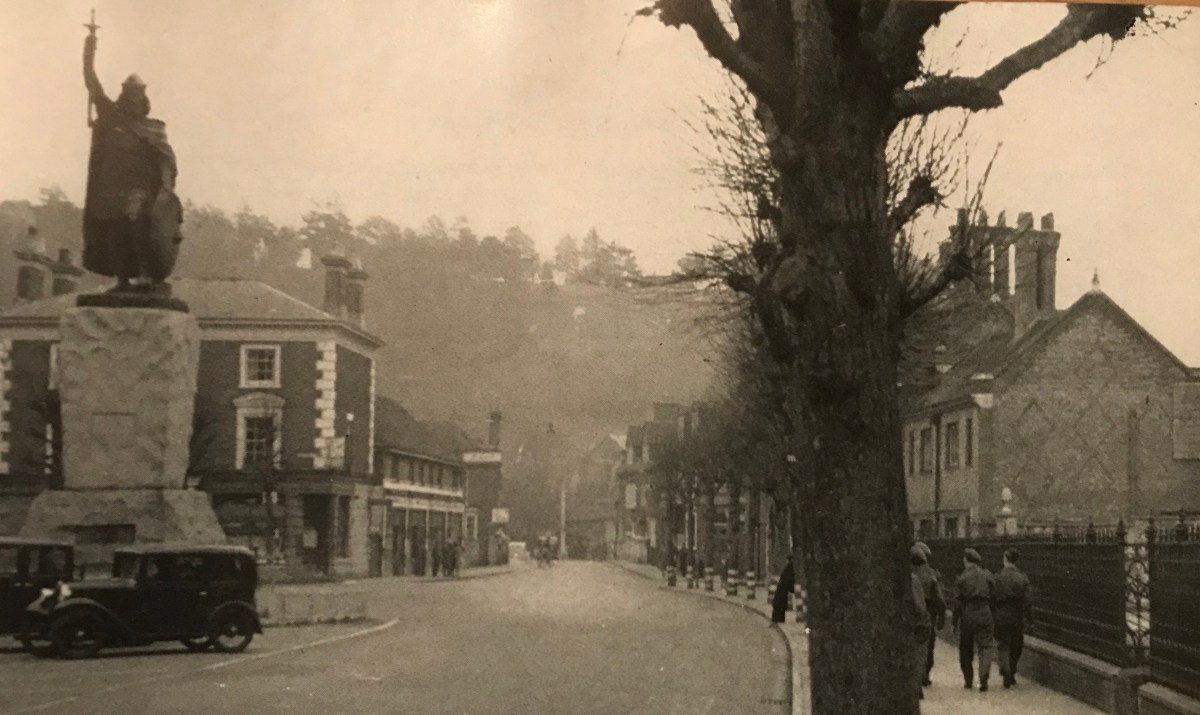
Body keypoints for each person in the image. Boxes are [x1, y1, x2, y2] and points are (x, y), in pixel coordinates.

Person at [82, 27, 184, 292]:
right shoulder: (111, 116)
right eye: (129, 96)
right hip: (112, 189)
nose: (133, 101)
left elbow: (167, 160)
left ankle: (146, 275)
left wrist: (165, 189)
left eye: (137, 97)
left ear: (144, 100)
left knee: (139, 228)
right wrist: (89, 47)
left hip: (140, 191)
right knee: (114, 234)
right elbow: (91, 82)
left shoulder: (154, 128)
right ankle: (122, 280)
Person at [954, 548, 996, 692]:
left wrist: (955, 621)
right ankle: (983, 677)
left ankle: (968, 679)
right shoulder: (988, 575)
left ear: (966, 561)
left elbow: (958, 602)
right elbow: (994, 595)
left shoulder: (962, 577)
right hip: (985, 611)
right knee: (986, 646)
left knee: (965, 647)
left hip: (968, 612)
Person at [992, 548, 1032, 688]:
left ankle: (1005, 670)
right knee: (1016, 644)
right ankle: (1011, 670)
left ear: (1005, 559)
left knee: (1003, 643)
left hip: (1000, 613)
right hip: (1016, 613)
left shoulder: (997, 577)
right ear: (1017, 561)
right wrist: (1028, 617)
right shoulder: (1022, 578)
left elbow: (991, 596)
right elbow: (1027, 600)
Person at [913, 541, 944, 685]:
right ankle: (924, 674)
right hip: (928, 612)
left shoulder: (908, 573)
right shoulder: (932, 574)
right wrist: (941, 617)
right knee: (928, 645)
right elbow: (939, 598)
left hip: (912, 611)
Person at [910, 566, 931, 700]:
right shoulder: (914, 579)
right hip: (919, 622)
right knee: (919, 655)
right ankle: (916, 687)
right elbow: (920, 606)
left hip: (914, 622)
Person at [771, 554, 796, 623]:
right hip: (784, 588)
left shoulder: (788, 567)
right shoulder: (790, 567)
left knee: (779, 603)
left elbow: (787, 579)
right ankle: (779, 619)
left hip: (782, 588)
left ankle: (777, 619)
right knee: (781, 604)